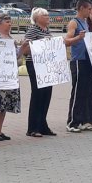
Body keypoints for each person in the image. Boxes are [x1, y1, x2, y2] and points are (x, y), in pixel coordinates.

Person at [0, 12, 27, 141]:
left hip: (9, 76)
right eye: (7, 22)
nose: (10, 24)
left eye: (10, 22)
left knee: (4, 104)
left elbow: (15, 57)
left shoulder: (10, 38)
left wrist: (22, 48)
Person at [24, 7, 57, 138]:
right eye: (44, 15)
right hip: (35, 64)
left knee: (47, 94)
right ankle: (32, 127)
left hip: (47, 65)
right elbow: (26, 49)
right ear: (37, 18)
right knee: (37, 94)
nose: (47, 17)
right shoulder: (32, 30)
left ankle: (43, 125)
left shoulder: (47, 30)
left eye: (48, 15)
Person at [64, 0, 92, 133]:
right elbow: (67, 41)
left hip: (86, 59)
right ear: (82, 8)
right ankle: (72, 122)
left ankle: (81, 120)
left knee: (84, 91)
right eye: (89, 9)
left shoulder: (85, 23)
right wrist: (78, 38)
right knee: (77, 92)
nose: (90, 11)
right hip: (77, 60)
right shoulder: (74, 22)